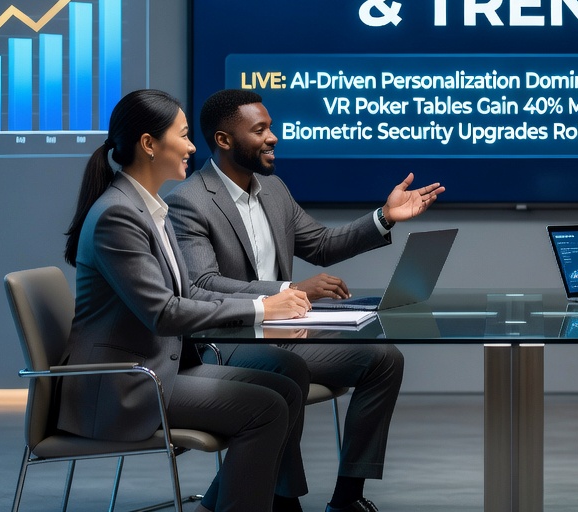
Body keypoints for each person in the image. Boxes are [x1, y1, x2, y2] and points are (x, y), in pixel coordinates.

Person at [167, 88, 444, 512]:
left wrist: (385, 217)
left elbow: (322, 244)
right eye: (259, 130)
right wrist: (287, 291)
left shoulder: (274, 189)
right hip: (224, 340)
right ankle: (283, 499)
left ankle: (347, 499)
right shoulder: (189, 201)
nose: (272, 137)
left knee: (384, 359)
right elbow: (202, 283)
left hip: (284, 331)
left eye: (270, 127)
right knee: (286, 370)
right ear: (223, 140)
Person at [59, 89, 315, 512]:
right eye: (182, 135)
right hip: (124, 386)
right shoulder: (117, 215)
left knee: (284, 389)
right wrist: (260, 308)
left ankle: (216, 507)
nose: (193, 147)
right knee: (267, 408)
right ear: (149, 144)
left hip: (155, 370)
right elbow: (163, 313)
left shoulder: (150, 208)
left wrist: (267, 302)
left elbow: (189, 293)